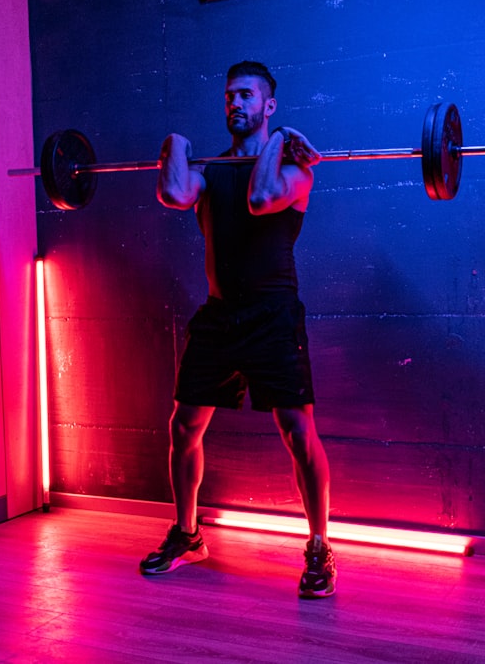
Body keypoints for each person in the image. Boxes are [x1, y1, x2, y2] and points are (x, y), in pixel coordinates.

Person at [139, 60, 336, 599]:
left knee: (298, 435)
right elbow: (176, 194)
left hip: (273, 317)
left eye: (247, 95)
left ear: (269, 106)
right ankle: (188, 534)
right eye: (229, 95)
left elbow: (259, 198)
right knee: (184, 427)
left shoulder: (297, 171)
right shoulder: (212, 171)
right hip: (219, 315)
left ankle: (319, 547)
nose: (235, 103)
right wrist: (175, 143)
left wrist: (279, 145)